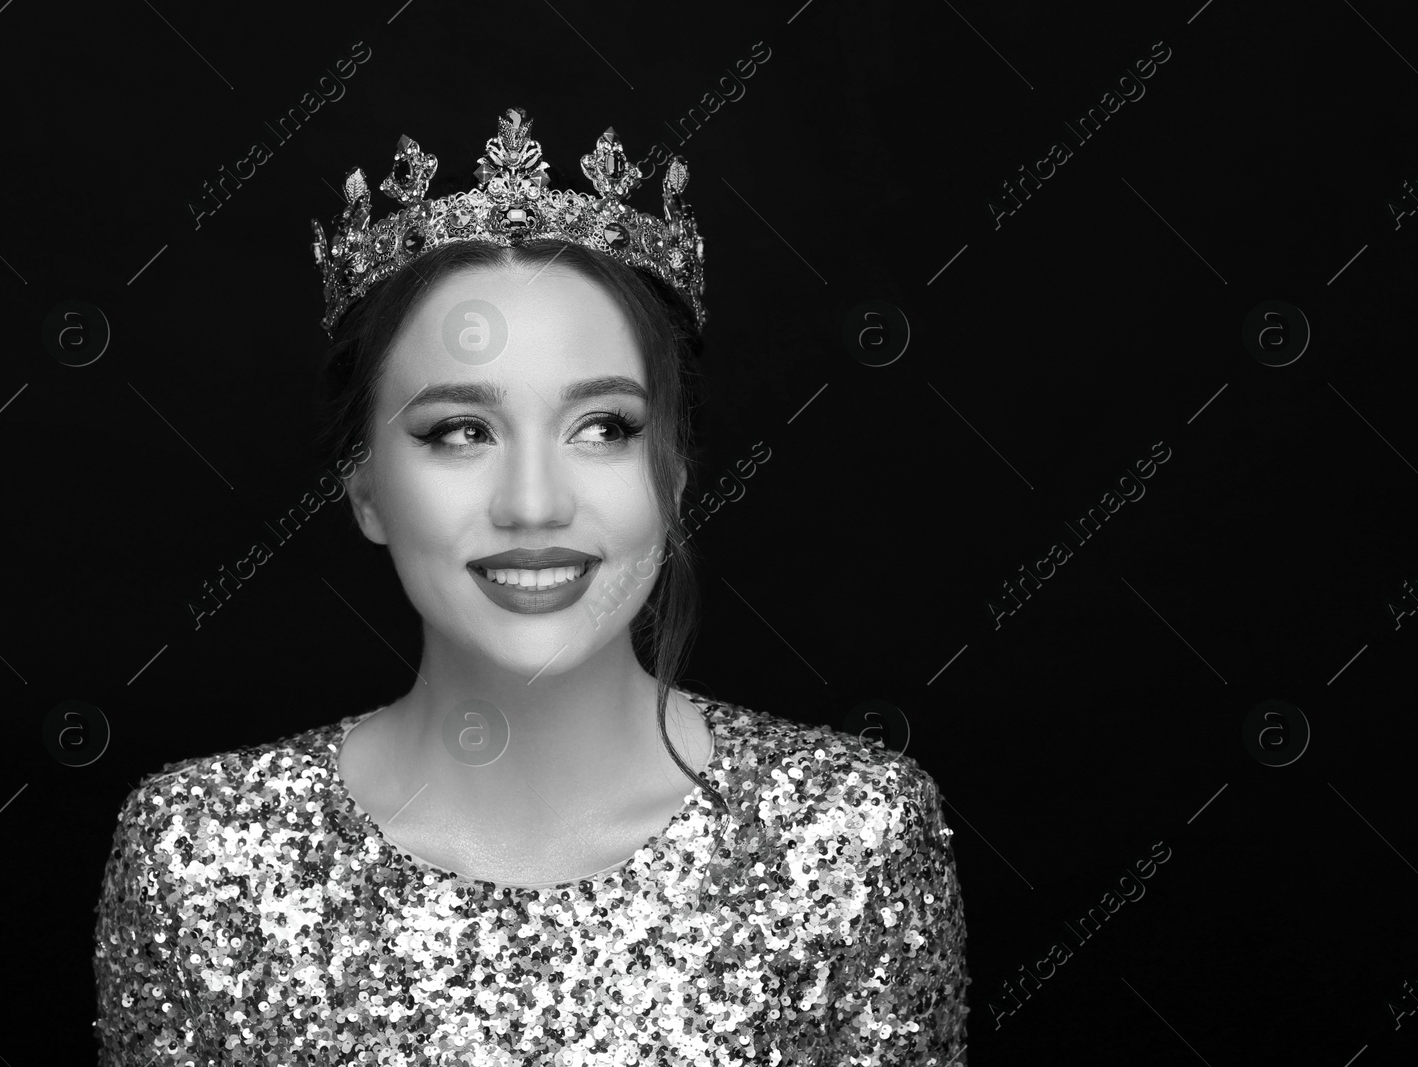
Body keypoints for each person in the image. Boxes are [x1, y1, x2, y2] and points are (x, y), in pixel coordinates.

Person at [93, 107, 969, 1065]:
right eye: (459, 431)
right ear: (366, 487)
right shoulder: (202, 856)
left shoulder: (852, 838)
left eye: (603, 426)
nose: (533, 503)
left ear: (671, 476)